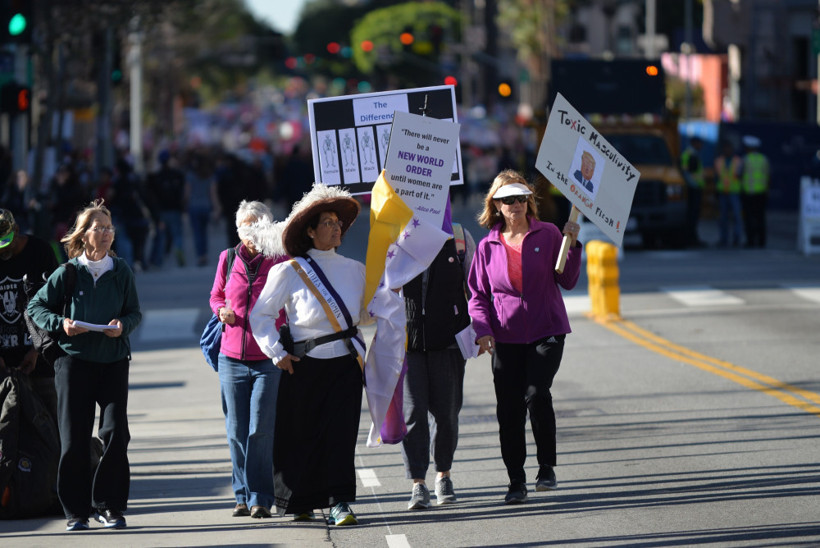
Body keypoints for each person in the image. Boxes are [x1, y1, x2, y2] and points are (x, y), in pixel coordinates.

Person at [249, 183, 367, 526]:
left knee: (341, 436)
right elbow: (261, 315)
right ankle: (299, 500)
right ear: (311, 232)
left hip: (345, 364)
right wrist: (275, 352)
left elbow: (368, 314)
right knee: (301, 434)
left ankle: (339, 502)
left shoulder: (356, 269)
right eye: (327, 223)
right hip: (304, 364)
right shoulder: (288, 271)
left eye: (337, 222)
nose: (335, 227)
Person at [26, 200, 142, 531]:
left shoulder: (121, 271)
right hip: (73, 362)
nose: (105, 234)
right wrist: (61, 323)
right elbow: (36, 306)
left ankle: (109, 506)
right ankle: (76, 511)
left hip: (114, 361)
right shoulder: (68, 272)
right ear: (83, 235)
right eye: (98, 229)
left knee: (115, 433)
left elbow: (134, 312)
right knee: (75, 437)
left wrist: (124, 324)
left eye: (109, 228)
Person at [467, 170, 582, 504]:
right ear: (497, 205)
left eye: (520, 198)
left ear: (528, 201)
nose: (515, 204)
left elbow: (569, 280)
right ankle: (515, 481)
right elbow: (477, 294)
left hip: (547, 330)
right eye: (508, 199)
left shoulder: (547, 234)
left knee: (536, 392)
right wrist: (483, 331)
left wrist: (572, 245)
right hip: (506, 337)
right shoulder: (488, 245)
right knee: (509, 410)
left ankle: (546, 467)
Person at [209, 200, 287, 519]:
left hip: (268, 357)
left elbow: (293, 299)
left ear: (267, 226)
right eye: (243, 226)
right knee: (236, 429)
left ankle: (260, 497)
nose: (249, 232)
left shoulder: (280, 259)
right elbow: (216, 296)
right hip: (231, 358)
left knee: (260, 429)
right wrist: (220, 311)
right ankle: (241, 495)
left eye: (255, 225)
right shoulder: (227, 258)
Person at [402, 213, 475, 510]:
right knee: (414, 412)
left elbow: (478, 288)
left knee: (447, 413)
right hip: (409, 343)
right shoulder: (396, 235)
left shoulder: (459, 237)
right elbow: (380, 287)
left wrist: (482, 330)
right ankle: (418, 483)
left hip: (449, 343)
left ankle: (443, 474)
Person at [0, 208, 59, 420]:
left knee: (53, 420)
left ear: (16, 230)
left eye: (6, 242)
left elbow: (55, 302)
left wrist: (36, 350)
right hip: (5, 360)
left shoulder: (39, 252)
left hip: (42, 359)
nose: (3, 250)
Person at [740, 135, 770, 248]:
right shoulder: (764, 159)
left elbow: (739, 174)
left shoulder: (745, 159)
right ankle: (762, 241)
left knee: (749, 218)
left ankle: (751, 241)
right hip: (761, 193)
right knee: (760, 218)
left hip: (748, 193)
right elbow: (768, 176)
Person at [714, 140, 744, 247]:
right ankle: (723, 239)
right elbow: (716, 177)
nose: (727, 150)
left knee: (736, 216)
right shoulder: (719, 161)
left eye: (729, 148)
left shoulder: (738, 161)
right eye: (725, 148)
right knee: (723, 217)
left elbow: (741, 176)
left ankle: (736, 238)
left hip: (734, 192)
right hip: (722, 192)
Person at [681, 136, 706, 247]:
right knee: (692, 216)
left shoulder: (691, 154)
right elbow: (686, 173)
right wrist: (693, 185)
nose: (701, 146)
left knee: (693, 215)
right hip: (693, 189)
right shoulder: (690, 155)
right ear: (695, 143)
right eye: (700, 143)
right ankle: (691, 239)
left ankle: (692, 238)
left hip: (694, 188)